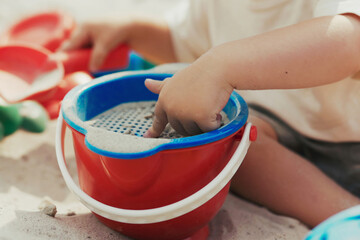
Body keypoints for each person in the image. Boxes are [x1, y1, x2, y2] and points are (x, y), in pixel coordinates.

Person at [61, 0, 360, 228]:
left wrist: (222, 65)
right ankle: (342, 214)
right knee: (230, 145)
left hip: (348, 143)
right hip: (271, 130)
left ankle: (347, 216)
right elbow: (186, 43)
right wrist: (134, 30)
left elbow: (349, 40)